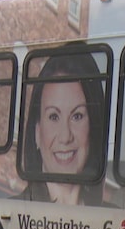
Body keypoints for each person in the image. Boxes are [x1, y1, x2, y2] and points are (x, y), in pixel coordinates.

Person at [19, 51, 106, 206]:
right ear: (37, 132)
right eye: (53, 117)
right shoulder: (16, 213)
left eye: (77, 116)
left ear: (92, 128)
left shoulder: (114, 218)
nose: (65, 137)